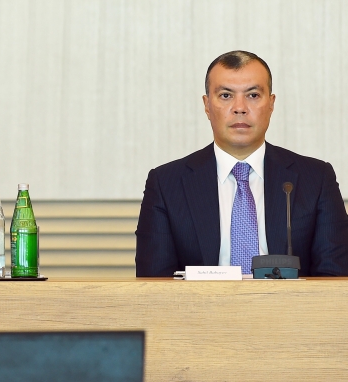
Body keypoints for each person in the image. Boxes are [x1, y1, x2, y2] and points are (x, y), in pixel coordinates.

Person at [136, 50, 348, 277]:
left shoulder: (316, 179)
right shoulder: (166, 184)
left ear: (271, 104)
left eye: (253, 95)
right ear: (207, 105)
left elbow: (334, 277)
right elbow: (154, 282)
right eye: (226, 95)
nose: (240, 107)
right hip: (201, 301)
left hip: (289, 301)